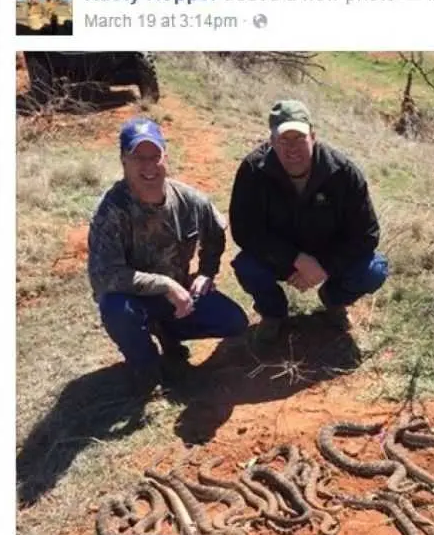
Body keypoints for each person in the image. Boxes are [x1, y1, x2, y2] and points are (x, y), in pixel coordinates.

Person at [87, 117, 249, 393]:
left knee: (234, 322)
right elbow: (108, 276)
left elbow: (216, 232)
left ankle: (167, 331)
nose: (149, 166)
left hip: (177, 296)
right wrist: (166, 285)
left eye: (155, 156)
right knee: (116, 308)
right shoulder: (111, 210)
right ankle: (146, 366)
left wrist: (207, 272)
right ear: (124, 161)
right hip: (133, 300)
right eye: (139, 158)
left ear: (165, 156)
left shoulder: (189, 199)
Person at [229, 99, 388, 343]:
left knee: (374, 269)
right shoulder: (253, 170)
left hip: (328, 256)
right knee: (246, 266)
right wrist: (296, 259)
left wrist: (324, 266)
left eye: (299, 139)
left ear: (313, 136)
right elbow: (244, 231)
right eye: (284, 140)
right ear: (272, 142)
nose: (292, 149)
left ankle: (334, 300)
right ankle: (273, 313)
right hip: (282, 257)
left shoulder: (344, 172)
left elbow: (367, 234)